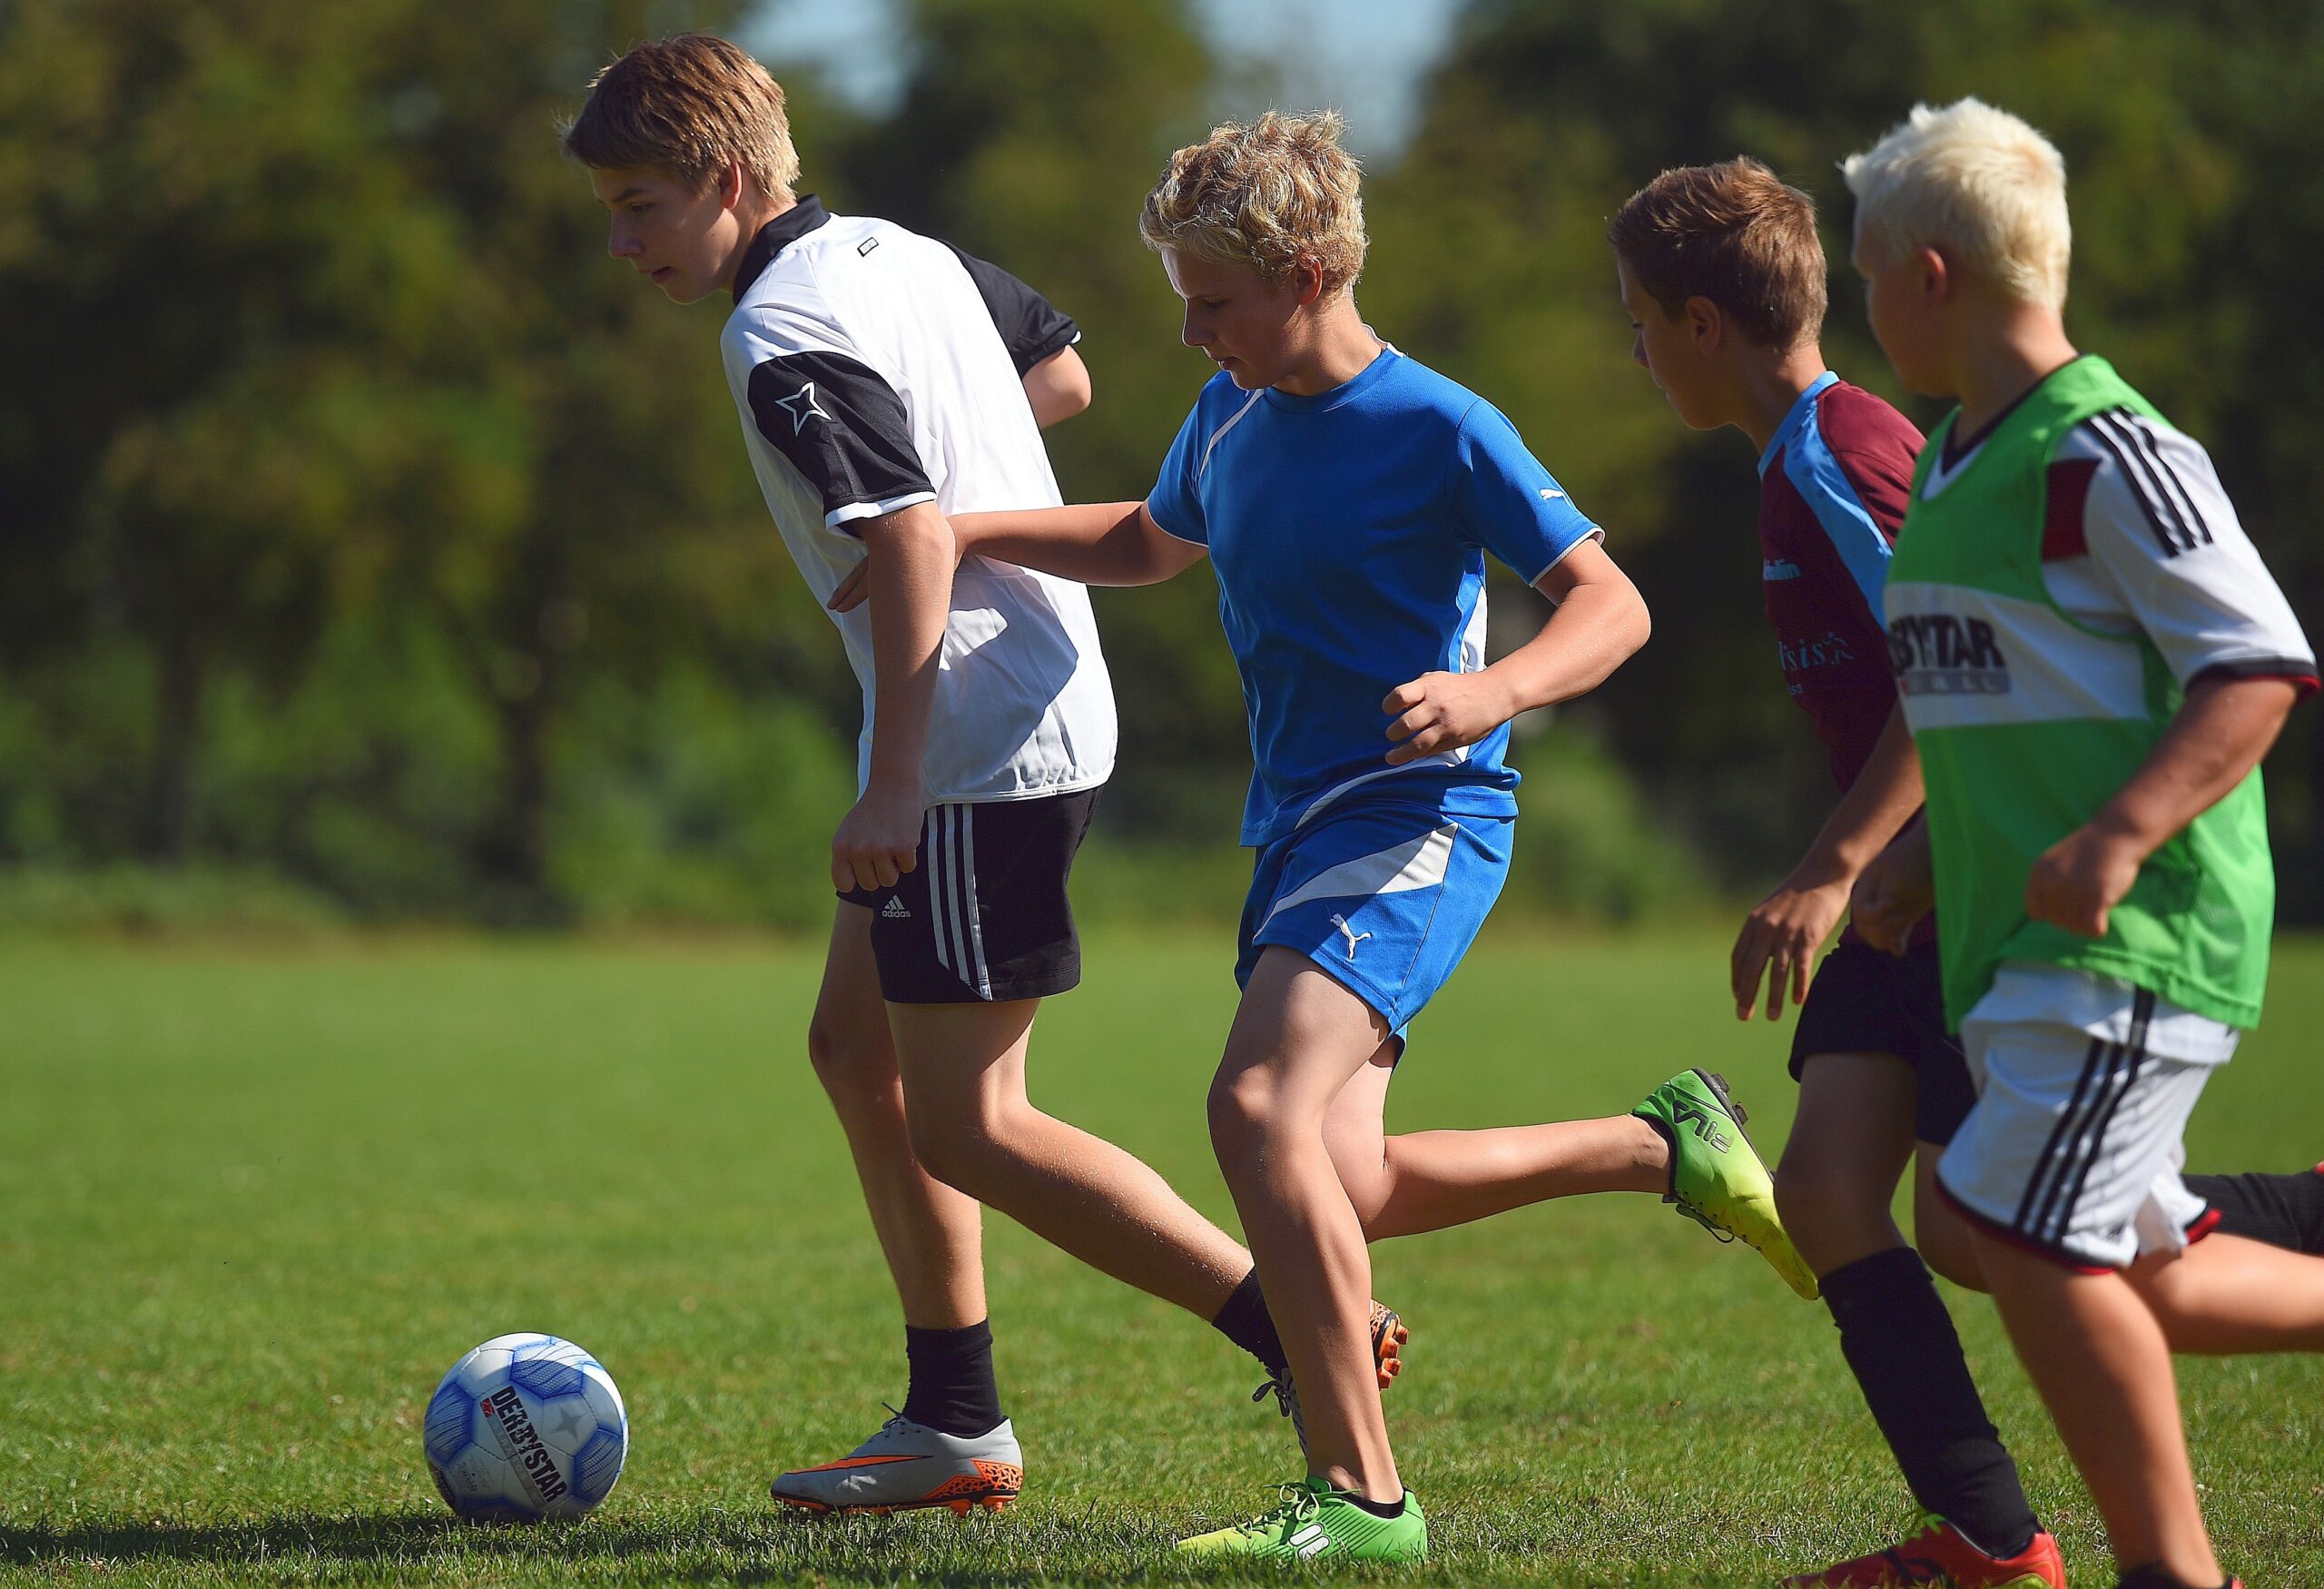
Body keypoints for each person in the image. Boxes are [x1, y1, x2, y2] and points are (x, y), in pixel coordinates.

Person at [851, 111, 1815, 1563]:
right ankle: (1657, 1144)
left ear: (1306, 272)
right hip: (1297, 831)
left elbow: (1614, 605)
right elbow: (1149, 543)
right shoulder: (1229, 414)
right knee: (1340, 1182)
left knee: (1254, 1110)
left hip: (1424, 815)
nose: (1187, 332)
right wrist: (967, 532)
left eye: (1211, 300)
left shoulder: (1439, 422)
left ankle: (1364, 1497)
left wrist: (1494, 687)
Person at [560, 35, 1407, 1518]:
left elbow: (905, 540)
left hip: (973, 742)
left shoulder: (778, 335)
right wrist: (957, 449)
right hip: (1008, 707)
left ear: (729, 179)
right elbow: (1061, 374)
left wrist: (894, 783)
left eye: (639, 205)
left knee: (970, 1120)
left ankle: (1284, 1314)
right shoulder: (903, 252)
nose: (620, 242)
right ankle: (953, 1415)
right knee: (853, 1048)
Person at [1610, 153, 2324, 1589]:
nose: (1632, 348)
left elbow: (1946, 690)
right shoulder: (1884, 453)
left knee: (2001, 1226)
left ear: (1699, 323)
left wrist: (1845, 861)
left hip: (1964, 882)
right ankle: (1994, 1537)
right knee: (1849, 1192)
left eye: (1637, 317)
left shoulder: (1848, 450)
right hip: (1923, 886)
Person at [1843, 98, 2322, 1589]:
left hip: (2136, 937)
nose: (1867, 308)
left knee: (2008, 1221)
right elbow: (1992, 700)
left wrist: (2121, 830)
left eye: (1867, 276)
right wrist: (1920, 861)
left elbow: (2258, 664)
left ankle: (2174, 1574)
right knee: (2064, 1246)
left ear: (1928, 275)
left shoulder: (2112, 452)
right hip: (2015, 947)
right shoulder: (1948, 465)